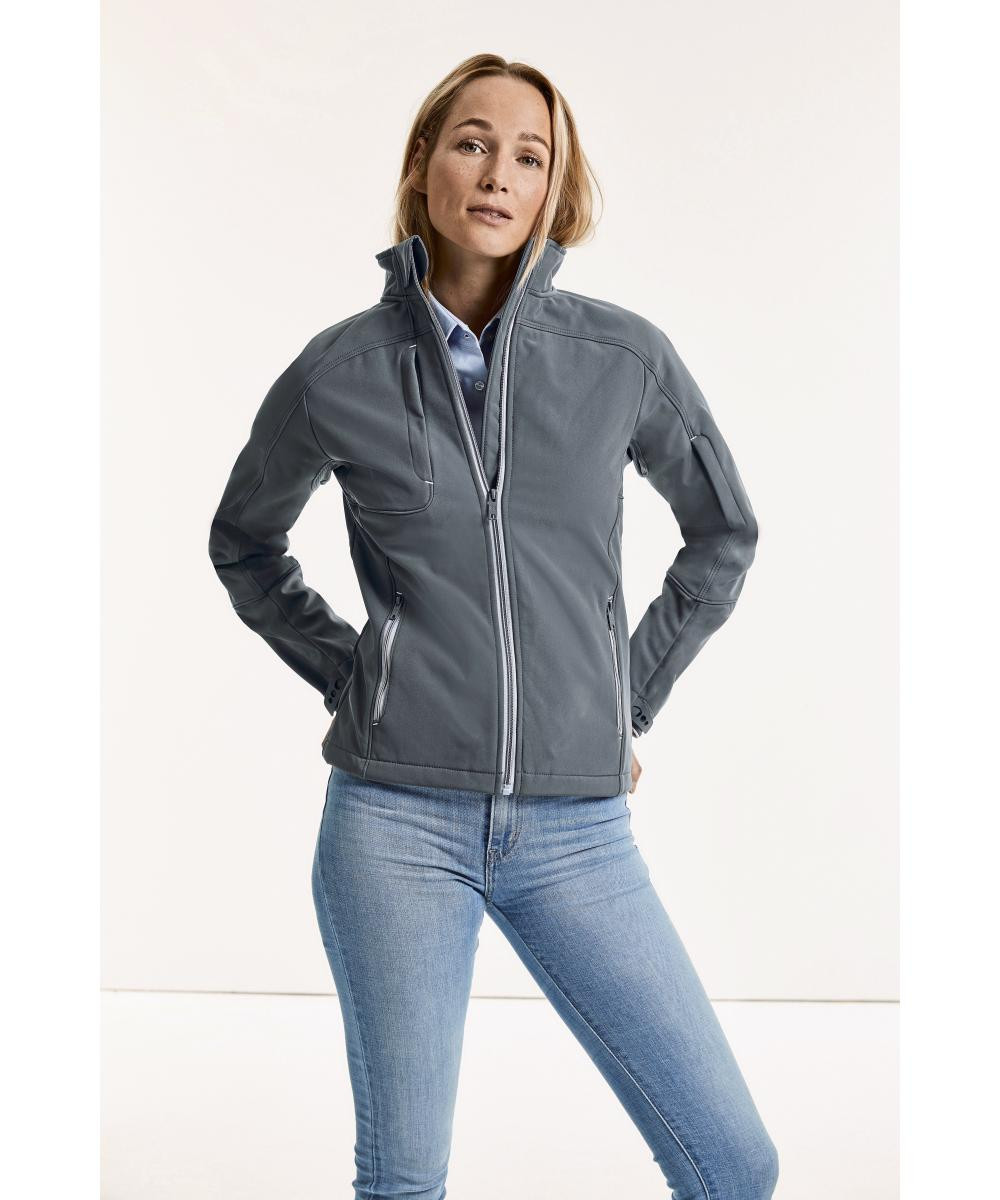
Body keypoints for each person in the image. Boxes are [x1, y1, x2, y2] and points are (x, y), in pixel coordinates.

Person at [208, 52, 778, 1200]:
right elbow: (244, 543)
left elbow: (722, 533)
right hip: (392, 826)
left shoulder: (621, 358)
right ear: (423, 163)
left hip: (578, 833)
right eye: (472, 143)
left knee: (732, 1164)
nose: (499, 174)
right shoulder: (339, 371)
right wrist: (356, 675)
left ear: (555, 187)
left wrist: (625, 700)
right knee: (405, 1181)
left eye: (531, 155)